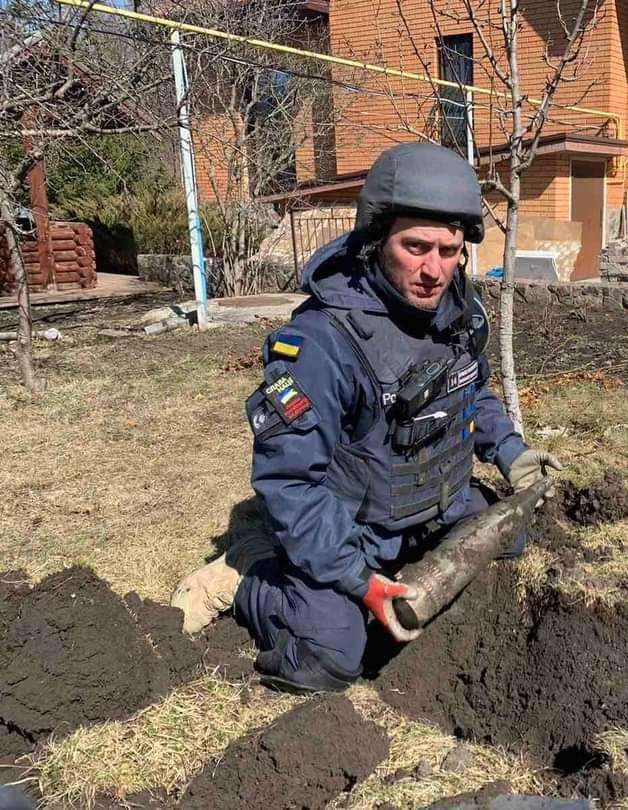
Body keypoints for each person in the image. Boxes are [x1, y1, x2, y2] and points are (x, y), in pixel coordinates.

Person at [170, 142, 563, 693]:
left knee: (511, 537)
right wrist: (360, 581)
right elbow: (290, 485)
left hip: (430, 506)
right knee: (330, 658)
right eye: (416, 247)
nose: (434, 270)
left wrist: (510, 452)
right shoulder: (321, 343)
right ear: (379, 240)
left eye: (449, 251)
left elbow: (472, 394)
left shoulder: (456, 316)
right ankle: (245, 575)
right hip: (351, 532)